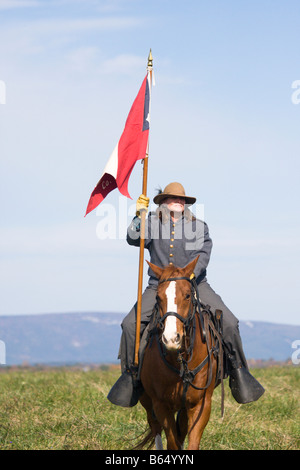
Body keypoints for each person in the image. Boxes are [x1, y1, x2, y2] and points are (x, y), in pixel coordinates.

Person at [107, 182, 264, 407]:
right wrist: (137, 218)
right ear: (162, 202)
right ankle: (132, 376)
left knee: (230, 323)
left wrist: (190, 277)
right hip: (158, 286)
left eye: (181, 200)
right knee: (129, 324)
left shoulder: (199, 226)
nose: (178, 202)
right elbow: (133, 239)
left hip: (196, 284)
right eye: (172, 199)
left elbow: (204, 253)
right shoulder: (150, 223)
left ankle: (238, 371)